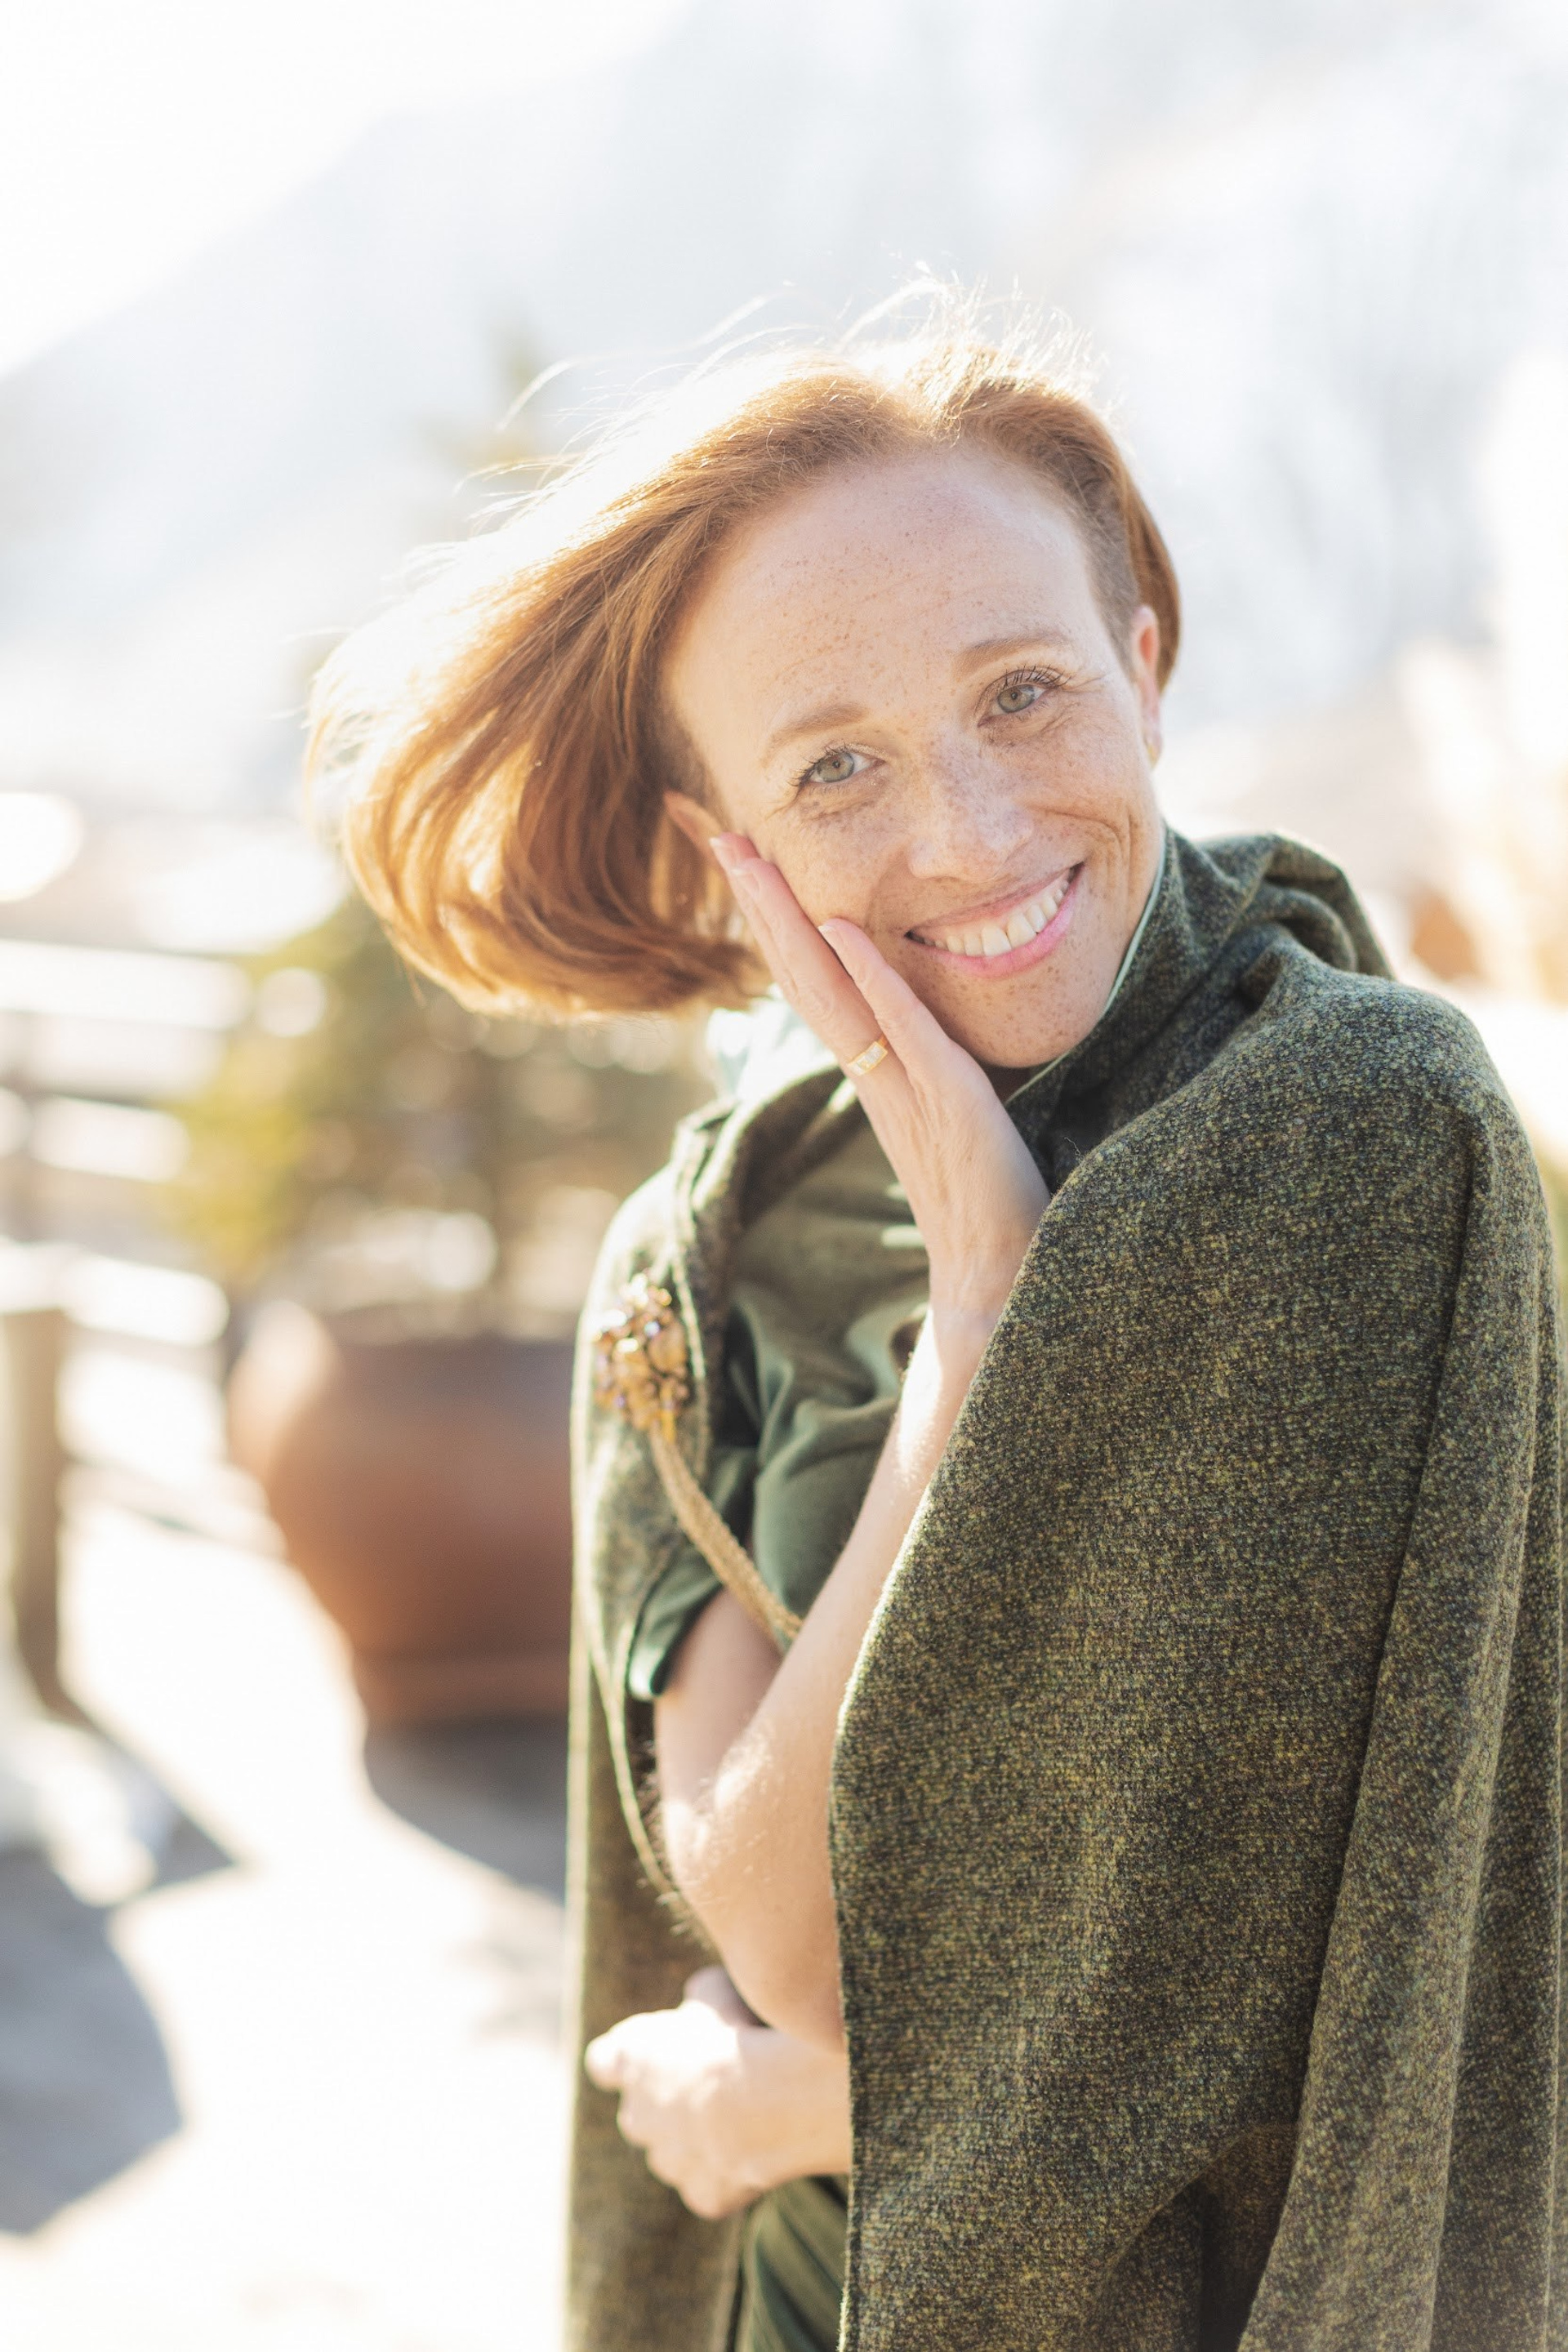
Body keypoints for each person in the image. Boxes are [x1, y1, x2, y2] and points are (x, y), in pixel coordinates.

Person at [314, 305, 1566, 2352]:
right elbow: (778, 1934)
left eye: (1023, 693)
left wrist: (825, 2104)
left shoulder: (1354, 1137)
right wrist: (983, 1312)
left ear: (1144, 676)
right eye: (835, 767)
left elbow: (1395, 1994)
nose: (973, 835)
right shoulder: (696, 1266)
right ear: (732, 846)